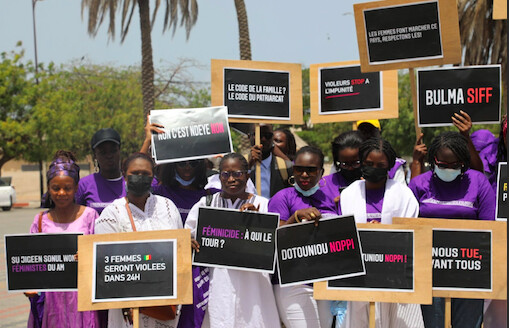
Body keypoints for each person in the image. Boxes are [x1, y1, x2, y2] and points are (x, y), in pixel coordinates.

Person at [409, 131, 495, 328]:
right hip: (429, 273)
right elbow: (409, 225)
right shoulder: (418, 184)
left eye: (455, 165)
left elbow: (489, 229)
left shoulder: (478, 182)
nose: (448, 169)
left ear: (463, 162)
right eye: (442, 165)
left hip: (470, 271)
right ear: (433, 161)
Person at [185, 153, 280, 327]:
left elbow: (275, 245)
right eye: (225, 174)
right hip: (218, 286)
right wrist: (189, 242)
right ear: (219, 177)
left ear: (247, 176)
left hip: (254, 288)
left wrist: (259, 221)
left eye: (237, 173)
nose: (231, 179)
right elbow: (186, 236)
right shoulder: (206, 204)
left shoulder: (263, 205)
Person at [340, 138, 424, 328]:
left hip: (396, 273)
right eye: (369, 164)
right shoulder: (349, 194)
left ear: (389, 166)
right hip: (361, 274)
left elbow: (411, 234)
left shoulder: (404, 195)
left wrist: (383, 234)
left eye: (380, 165)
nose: (374, 168)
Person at [94, 152, 183, 328]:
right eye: (135, 173)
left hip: (163, 302)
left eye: (145, 174)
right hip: (128, 306)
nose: (140, 178)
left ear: (153, 176)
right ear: (124, 174)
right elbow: (107, 264)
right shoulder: (112, 214)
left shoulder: (168, 207)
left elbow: (178, 253)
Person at [26, 150, 100, 328]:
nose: (61, 193)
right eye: (55, 188)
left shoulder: (90, 216)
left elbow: (101, 255)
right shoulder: (40, 220)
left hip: (82, 300)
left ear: (76, 188)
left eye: (67, 188)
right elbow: (29, 261)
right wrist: (28, 285)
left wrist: (87, 257)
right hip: (51, 301)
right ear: (48, 189)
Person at [268, 146, 335, 328]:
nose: (304, 174)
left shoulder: (331, 198)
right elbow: (273, 239)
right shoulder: (281, 198)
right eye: (299, 169)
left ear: (321, 172)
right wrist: (296, 217)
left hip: (323, 282)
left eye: (311, 170)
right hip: (293, 283)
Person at [75, 128, 126, 214]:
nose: (109, 156)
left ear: (119, 151)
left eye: (113, 151)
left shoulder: (131, 183)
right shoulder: (84, 185)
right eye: (103, 152)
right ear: (95, 155)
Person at [248, 124, 293, 198]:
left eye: (268, 136)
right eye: (259, 135)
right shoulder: (239, 165)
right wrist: (248, 167)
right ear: (249, 137)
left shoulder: (285, 167)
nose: (263, 139)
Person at [322, 131, 364, 209]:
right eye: (345, 164)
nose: (350, 168)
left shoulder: (374, 183)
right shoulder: (325, 185)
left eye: (356, 163)